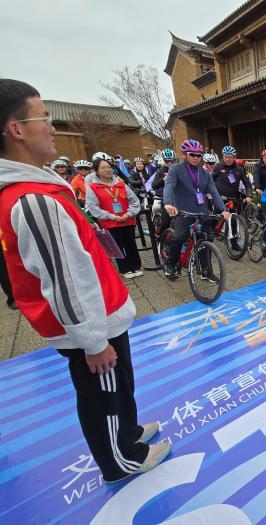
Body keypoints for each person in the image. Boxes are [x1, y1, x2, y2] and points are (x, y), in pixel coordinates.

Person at [0, 78, 170, 483]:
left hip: (103, 313)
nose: (52, 127)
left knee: (119, 383)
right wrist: (93, 342)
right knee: (102, 393)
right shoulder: (33, 200)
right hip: (90, 327)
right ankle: (121, 459)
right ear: (16, 129)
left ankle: (128, 432)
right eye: (44, 117)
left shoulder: (37, 187)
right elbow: (64, 280)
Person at [162, 139, 230, 279]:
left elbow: (214, 192)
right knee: (179, 237)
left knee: (206, 241)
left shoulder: (205, 173)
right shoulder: (175, 169)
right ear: (185, 154)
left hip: (202, 212)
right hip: (183, 212)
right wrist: (168, 203)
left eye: (198, 155)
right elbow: (169, 185)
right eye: (192, 154)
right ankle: (171, 263)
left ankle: (206, 271)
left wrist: (223, 209)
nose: (196, 157)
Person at [86, 158, 143, 279]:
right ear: (96, 171)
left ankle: (136, 266)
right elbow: (93, 208)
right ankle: (124, 269)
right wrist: (112, 217)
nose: (107, 170)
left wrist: (129, 214)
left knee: (131, 243)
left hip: (127, 220)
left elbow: (134, 201)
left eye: (109, 167)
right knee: (116, 246)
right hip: (110, 223)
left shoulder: (121, 185)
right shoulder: (92, 188)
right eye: (103, 168)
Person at [151, 148, 177, 234]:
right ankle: (160, 237)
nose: (169, 163)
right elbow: (154, 185)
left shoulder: (179, 169)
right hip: (167, 200)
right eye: (167, 161)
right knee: (165, 223)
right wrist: (163, 179)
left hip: (180, 199)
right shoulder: (160, 171)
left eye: (172, 161)